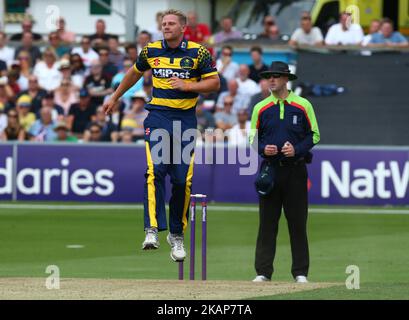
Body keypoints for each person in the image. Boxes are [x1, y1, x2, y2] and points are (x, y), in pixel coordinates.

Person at [103, 9, 220, 262]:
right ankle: (152, 230)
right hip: (158, 118)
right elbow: (135, 72)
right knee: (155, 171)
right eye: (163, 23)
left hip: (185, 122)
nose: (166, 27)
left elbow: (214, 84)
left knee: (182, 181)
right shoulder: (151, 50)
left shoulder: (198, 53)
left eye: (170, 24)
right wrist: (115, 97)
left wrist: (188, 85)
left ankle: (176, 235)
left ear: (182, 28)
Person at [249, 61, 320, 283]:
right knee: (267, 224)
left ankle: (300, 273)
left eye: (276, 76)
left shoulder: (303, 105)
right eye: (269, 76)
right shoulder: (260, 108)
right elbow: (252, 138)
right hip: (270, 172)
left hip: (295, 171)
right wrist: (263, 148)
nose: (271, 80)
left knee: (297, 223)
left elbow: (315, 135)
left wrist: (296, 149)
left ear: (286, 79)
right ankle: (263, 272)